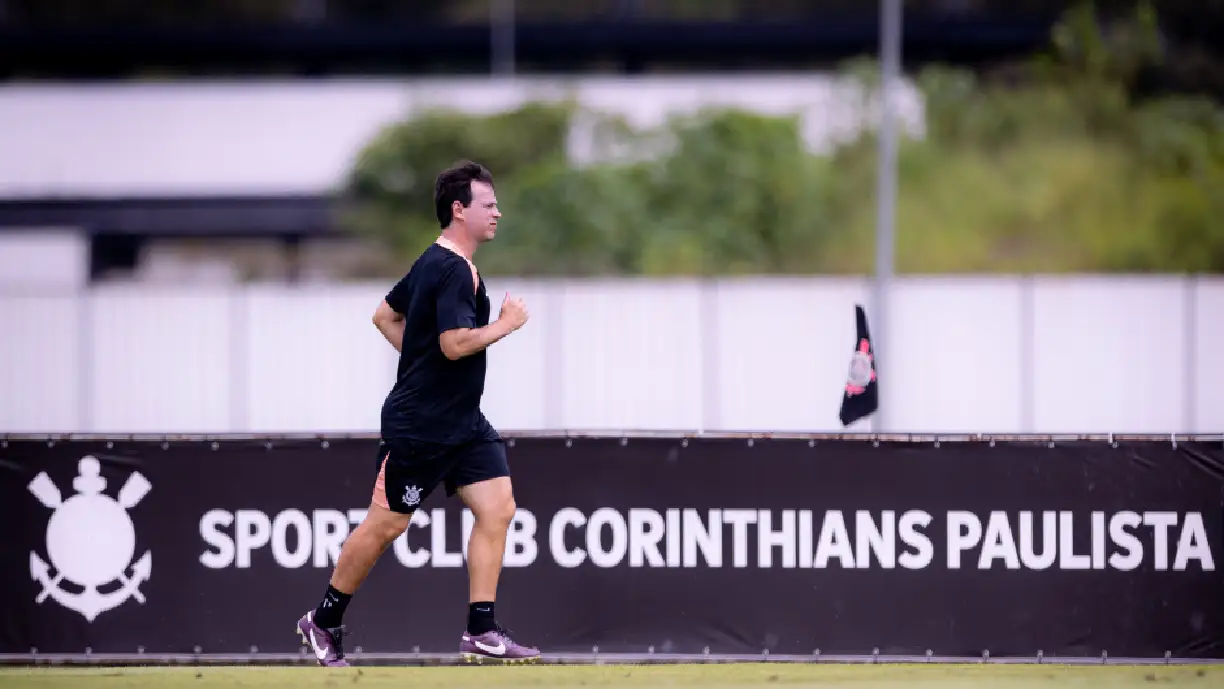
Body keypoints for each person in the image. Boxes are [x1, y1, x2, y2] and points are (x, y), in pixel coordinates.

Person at [295, 161, 539, 666]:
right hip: (422, 427)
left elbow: (385, 315)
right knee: (385, 527)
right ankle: (323, 620)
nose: (497, 212)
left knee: (498, 508)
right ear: (459, 209)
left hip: (464, 423)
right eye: (488, 204)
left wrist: (421, 360)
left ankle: (481, 629)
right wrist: (506, 324)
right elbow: (453, 344)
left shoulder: (435, 259)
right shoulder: (451, 269)